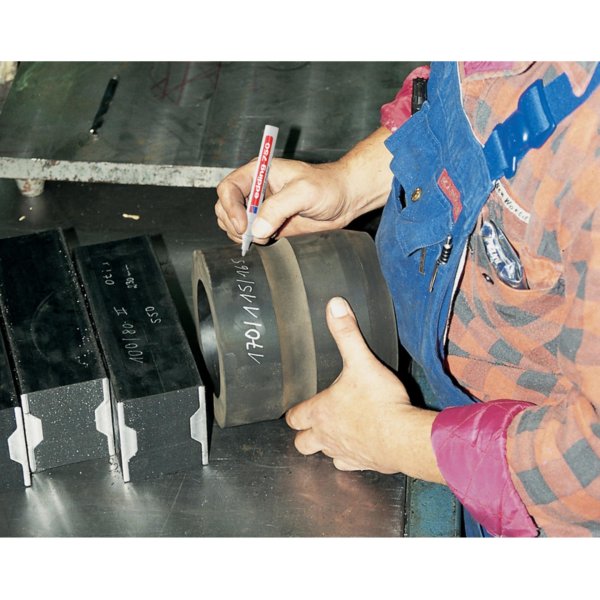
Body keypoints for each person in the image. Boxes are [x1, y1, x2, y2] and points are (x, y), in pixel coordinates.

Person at [215, 61, 600, 537]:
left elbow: (589, 467)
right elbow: (454, 98)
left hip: (531, 498)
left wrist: (395, 438)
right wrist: (349, 184)